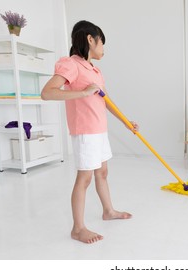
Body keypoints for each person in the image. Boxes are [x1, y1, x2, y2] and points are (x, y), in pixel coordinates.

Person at [41, 20, 139, 244]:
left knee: (102, 172)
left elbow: (105, 100)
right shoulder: (71, 64)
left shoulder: (95, 70)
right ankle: (78, 228)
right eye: (102, 42)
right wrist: (83, 93)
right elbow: (47, 93)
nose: (103, 48)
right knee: (84, 179)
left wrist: (125, 121)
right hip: (85, 131)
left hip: (99, 130)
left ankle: (108, 211)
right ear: (90, 39)